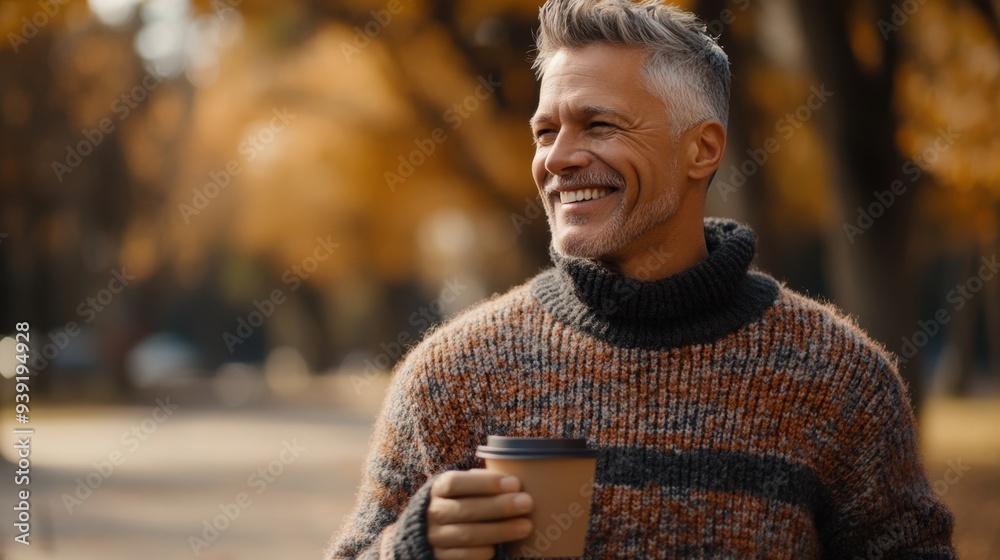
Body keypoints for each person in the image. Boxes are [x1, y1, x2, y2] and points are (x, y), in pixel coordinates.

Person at [325, 0, 957, 558]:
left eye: (599, 125)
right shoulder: (453, 374)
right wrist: (413, 549)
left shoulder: (840, 378)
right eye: (546, 131)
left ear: (702, 149)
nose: (559, 157)